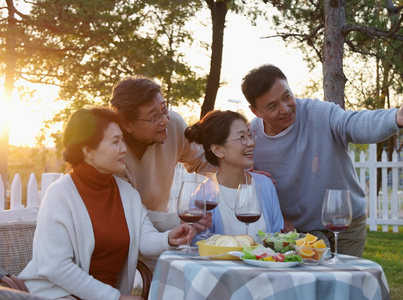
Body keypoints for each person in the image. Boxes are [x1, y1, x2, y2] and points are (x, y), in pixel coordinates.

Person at [241, 64, 403, 257]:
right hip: (300, 231)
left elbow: (354, 124)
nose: (285, 108)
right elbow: (240, 182)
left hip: (346, 223)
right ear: (255, 111)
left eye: (287, 96)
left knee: (347, 283)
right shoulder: (250, 140)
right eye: (273, 106)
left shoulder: (318, 113)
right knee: (315, 285)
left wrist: (395, 118)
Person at [19, 108, 195, 300]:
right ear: (88, 150)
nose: (124, 149)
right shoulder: (60, 194)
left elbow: (144, 239)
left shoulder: (127, 193)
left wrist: (169, 238)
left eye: (122, 140)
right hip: (52, 295)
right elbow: (56, 267)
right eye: (115, 142)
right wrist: (115, 298)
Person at [109, 75, 214, 233]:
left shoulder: (173, 125)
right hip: (124, 233)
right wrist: (179, 220)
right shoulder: (112, 152)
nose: (165, 120)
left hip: (165, 233)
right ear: (127, 124)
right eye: (154, 117)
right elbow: (129, 212)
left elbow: (201, 161)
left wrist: (243, 174)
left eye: (164, 109)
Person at [185, 110, 284, 237]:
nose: (251, 143)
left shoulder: (265, 185)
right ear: (218, 150)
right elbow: (198, 247)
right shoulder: (202, 195)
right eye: (242, 137)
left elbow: (278, 239)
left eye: (249, 135)